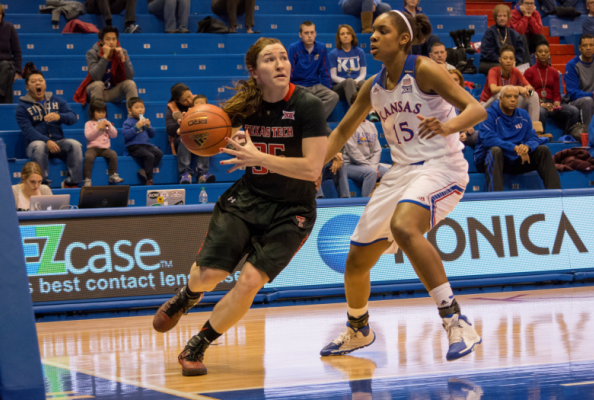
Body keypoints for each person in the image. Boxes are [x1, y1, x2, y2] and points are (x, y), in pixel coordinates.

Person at [152, 37, 328, 376]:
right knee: (209, 277)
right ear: (254, 71)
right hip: (248, 198)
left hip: (293, 210)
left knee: (249, 282)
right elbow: (202, 127)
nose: (280, 64)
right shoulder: (247, 103)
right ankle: (188, 295)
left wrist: (257, 155)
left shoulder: (307, 105)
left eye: (283, 58)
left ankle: (197, 345)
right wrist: (193, 122)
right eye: (269, 59)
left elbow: (311, 169)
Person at [318, 11, 487, 361]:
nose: (373, 38)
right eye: (373, 32)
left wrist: (447, 126)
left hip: (442, 166)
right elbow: (340, 133)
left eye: (383, 31)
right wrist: (310, 167)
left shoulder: (422, 68)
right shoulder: (373, 86)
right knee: (356, 259)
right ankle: (358, 328)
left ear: (404, 39)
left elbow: (476, 109)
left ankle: (456, 320)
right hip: (401, 171)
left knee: (404, 225)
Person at [474, 86, 561, 191]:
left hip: (514, 158)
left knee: (543, 151)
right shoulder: (488, 114)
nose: (512, 99)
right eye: (508, 96)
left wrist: (527, 147)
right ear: (500, 98)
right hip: (488, 159)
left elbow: (533, 138)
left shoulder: (523, 115)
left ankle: (555, 194)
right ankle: (495, 198)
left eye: (515, 97)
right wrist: (514, 148)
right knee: (495, 151)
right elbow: (489, 140)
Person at [16, 70, 82, 188]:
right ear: (27, 87)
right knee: (40, 146)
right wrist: (47, 141)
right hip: (35, 145)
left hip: (58, 143)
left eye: (41, 80)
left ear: (45, 84)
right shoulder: (22, 107)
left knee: (75, 145)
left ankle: (72, 182)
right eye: (33, 81)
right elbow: (28, 131)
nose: (38, 83)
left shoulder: (57, 101)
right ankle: (43, 185)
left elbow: (73, 117)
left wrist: (59, 116)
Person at [524, 42, 580, 138]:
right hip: (537, 104)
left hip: (551, 105)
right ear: (536, 54)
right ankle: (539, 137)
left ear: (549, 54)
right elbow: (528, 93)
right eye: (540, 52)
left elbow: (556, 92)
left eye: (546, 52)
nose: (543, 54)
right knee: (540, 111)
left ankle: (565, 137)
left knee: (573, 111)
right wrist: (541, 104)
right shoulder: (529, 72)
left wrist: (557, 103)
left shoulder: (554, 72)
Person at [75, 26, 138, 106]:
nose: (111, 42)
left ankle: (133, 117)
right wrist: (105, 56)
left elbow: (130, 76)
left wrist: (122, 58)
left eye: (114, 39)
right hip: (95, 90)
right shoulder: (92, 53)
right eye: (108, 39)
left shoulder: (123, 52)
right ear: (101, 41)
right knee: (98, 84)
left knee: (130, 84)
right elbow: (96, 77)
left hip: (113, 92)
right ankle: (98, 118)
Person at [289, 21, 339, 120]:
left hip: (315, 85)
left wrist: (327, 88)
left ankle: (315, 120)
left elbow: (325, 71)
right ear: (300, 35)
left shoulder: (321, 48)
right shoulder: (294, 47)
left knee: (333, 96)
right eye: (306, 33)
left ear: (315, 34)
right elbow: (289, 70)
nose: (309, 36)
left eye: (312, 32)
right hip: (298, 85)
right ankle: (311, 121)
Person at [166, 84, 214, 184]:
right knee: (184, 139)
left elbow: (212, 118)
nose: (189, 101)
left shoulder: (199, 100)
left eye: (189, 96)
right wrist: (182, 122)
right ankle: (185, 174)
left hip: (199, 136)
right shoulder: (172, 107)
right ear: (177, 101)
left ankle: (203, 174)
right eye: (184, 100)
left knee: (204, 138)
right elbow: (169, 129)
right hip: (181, 139)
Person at [343, 92, 388, 197]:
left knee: (390, 174)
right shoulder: (348, 124)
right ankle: (365, 204)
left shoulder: (371, 125)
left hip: (369, 165)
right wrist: (371, 168)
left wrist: (372, 166)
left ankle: (381, 201)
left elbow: (377, 150)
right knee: (370, 173)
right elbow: (353, 152)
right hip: (350, 165)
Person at [479, 45, 539, 122]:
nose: (508, 61)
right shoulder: (493, 71)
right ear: (500, 60)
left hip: (508, 103)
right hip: (487, 104)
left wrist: (527, 90)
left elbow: (530, 88)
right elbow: (493, 89)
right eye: (505, 58)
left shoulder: (516, 71)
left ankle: (533, 130)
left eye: (511, 59)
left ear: (514, 60)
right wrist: (518, 88)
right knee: (500, 95)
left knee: (533, 95)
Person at [83, 99, 124, 187]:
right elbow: (88, 136)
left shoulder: (107, 123)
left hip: (105, 149)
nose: (102, 114)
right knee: (88, 157)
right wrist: (98, 128)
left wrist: (109, 127)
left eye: (103, 111)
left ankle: (112, 175)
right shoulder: (89, 124)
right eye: (98, 112)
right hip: (92, 148)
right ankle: (87, 179)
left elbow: (114, 135)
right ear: (91, 112)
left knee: (113, 154)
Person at [123, 97, 163, 185]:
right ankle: (149, 179)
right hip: (134, 146)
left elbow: (152, 134)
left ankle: (144, 171)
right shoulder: (128, 122)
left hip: (146, 145)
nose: (140, 109)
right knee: (150, 156)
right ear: (130, 110)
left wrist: (148, 127)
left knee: (159, 153)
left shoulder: (144, 121)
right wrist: (136, 127)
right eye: (136, 107)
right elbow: (126, 135)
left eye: (142, 107)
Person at [479, 5, 526, 76]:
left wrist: (513, 60)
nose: (502, 18)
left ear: (508, 17)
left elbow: (520, 52)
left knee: (524, 68)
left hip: (510, 62)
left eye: (504, 16)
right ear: (495, 17)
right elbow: (487, 53)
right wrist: (503, 61)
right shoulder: (490, 32)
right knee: (505, 68)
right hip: (491, 62)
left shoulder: (514, 34)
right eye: (499, 16)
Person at [329, 25, 367, 109]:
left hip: (356, 83)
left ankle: (372, 112)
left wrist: (356, 81)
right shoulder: (333, 53)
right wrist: (349, 82)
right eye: (342, 34)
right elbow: (333, 76)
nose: (345, 36)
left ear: (352, 36)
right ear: (339, 37)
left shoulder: (359, 52)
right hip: (340, 87)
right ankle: (354, 112)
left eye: (348, 33)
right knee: (349, 81)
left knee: (364, 83)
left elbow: (363, 73)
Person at [564, 34, 594, 126]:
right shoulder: (572, 65)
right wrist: (592, 95)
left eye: (591, 45)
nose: (588, 48)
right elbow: (573, 93)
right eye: (585, 45)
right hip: (576, 101)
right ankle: (589, 135)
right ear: (580, 48)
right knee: (588, 101)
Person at [449, 69, 479, 147]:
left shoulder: (465, 98)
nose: (453, 82)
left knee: (481, 135)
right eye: (450, 79)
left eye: (455, 79)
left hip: (461, 134)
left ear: (460, 82)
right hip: (446, 133)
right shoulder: (440, 98)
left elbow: (468, 122)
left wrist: (464, 132)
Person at [0, 4, 21, 104]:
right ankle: (6, 107)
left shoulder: (9, 27)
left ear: (2, 15)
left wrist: (17, 71)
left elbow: (17, 52)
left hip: (7, 65)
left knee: (6, 67)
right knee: (7, 77)